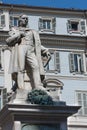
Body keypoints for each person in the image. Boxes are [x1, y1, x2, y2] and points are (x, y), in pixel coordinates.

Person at [6, 14, 51, 93]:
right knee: (21, 68)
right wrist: (19, 34)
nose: (25, 20)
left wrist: (45, 50)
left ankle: (38, 86)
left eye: (27, 19)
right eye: (24, 18)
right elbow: (9, 41)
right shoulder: (15, 30)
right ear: (19, 20)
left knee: (36, 66)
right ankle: (21, 87)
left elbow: (37, 44)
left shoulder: (32, 31)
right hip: (21, 47)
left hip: (31, 49)